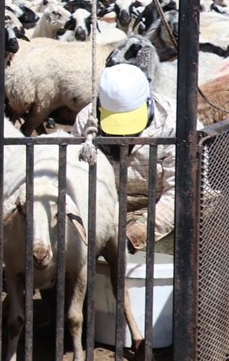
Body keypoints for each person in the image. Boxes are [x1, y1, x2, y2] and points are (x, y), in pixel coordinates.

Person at [72, 62, 189, 251]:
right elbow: (78, 180)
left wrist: (140, 231)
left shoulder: (173, 123)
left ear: (148, 104)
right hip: (110, 207)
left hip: (162, 205)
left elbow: (180, 191)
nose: (124, 136)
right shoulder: (87, 122)